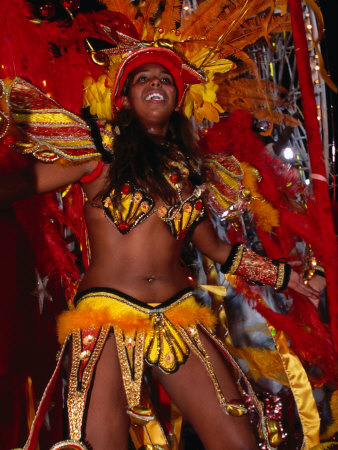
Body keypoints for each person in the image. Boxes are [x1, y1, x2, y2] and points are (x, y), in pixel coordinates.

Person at [0, 47, 320, 450]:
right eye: (142, 78)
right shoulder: (97, 154)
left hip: (179, 316)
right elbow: (15, 188)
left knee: (239, 440)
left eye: (165, 79)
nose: (155, 83)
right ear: (124, 100)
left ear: (178, 98)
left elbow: (217, 249)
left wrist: (284, 275)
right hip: (106, 318)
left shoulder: (189, 173)